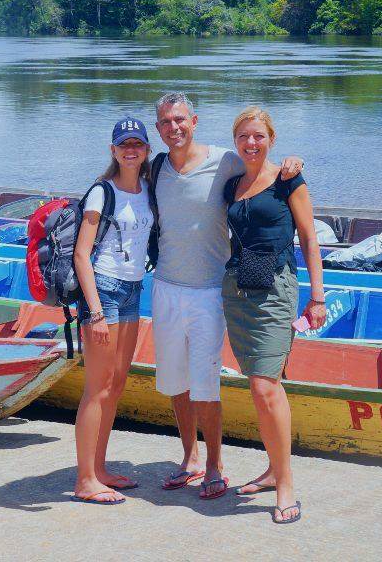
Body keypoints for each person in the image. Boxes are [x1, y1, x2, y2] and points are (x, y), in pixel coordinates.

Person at [150, 93, 304, 499]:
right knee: (175, 383)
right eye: (166, 122)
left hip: (211, 291)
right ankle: (191, 458)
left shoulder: (226, 161)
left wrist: (293, 164)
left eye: (180, 119)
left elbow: (265, 167)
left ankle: (216, 464)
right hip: (165, 287)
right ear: (158, 128)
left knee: (206, 384)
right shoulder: (155, 168)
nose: (174, 128)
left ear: (195, 121)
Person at [222, 106, 326, 524]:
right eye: (244, 136)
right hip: (237, 289)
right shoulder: (232, 184)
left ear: (272, 140)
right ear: (235, 141)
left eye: (259, 136)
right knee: (259, 386)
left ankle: (285, 485)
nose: (251, 143)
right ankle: (271, 470)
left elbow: (308, 237)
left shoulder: (288, 180)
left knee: (267, 387)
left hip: (276, 289)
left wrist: (317, 297)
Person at [72, 116, 154, 504]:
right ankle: (85, 479)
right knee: (98, 388)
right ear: (113, 150)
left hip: (133, 289)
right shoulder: (101, 193)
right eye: (124, 145)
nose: (131, 150)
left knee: (117, 384)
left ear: (146, 150)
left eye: (137, 144)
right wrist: (96, 313)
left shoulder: (147, 189)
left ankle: (100, 468)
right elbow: (81, 255)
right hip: (103, 292)